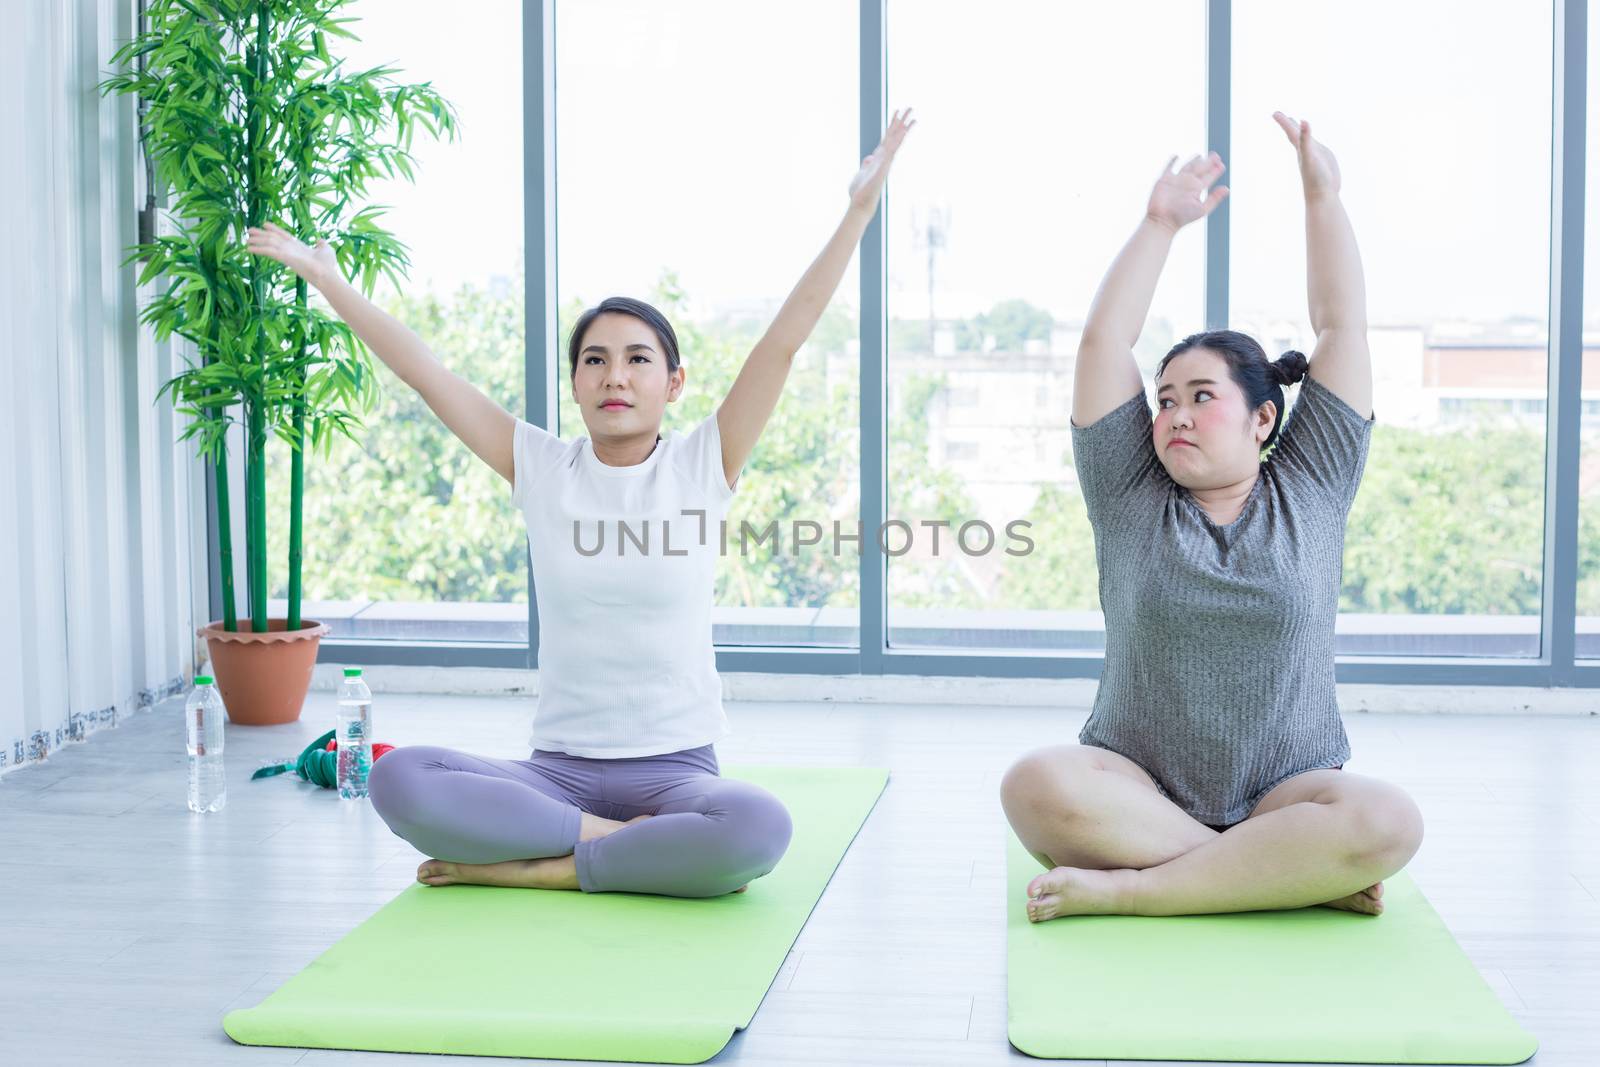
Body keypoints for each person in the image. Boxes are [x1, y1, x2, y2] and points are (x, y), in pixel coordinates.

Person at [247, 110, 916, 898]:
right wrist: (330, 282)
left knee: (758, 827)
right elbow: (427, 375)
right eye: (595, 360)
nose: (615, 377)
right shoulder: (541, 466)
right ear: (575, 383)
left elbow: (783, 341)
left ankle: (543, 871)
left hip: (679, 776)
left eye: (638, 360)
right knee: (401, 780)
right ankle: (613, 847)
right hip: (555, 776)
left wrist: (859, 211)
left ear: (674, 384)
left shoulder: (705, 461)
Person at [999, 113, 1424, 921]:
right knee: (1034, 784)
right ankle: (1269, 875)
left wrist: (1323, 196)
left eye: (1201, 397)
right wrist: (1160, 222)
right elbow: (1102, 339)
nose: (1175, 415)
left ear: (1265, 419)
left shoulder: (1313, 484)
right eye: (1164, 401)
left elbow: (1343, 326)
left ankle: (1137, 891)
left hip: (1287, 790)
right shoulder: (1128, 492)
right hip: (1138, 789)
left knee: (1390, 820)